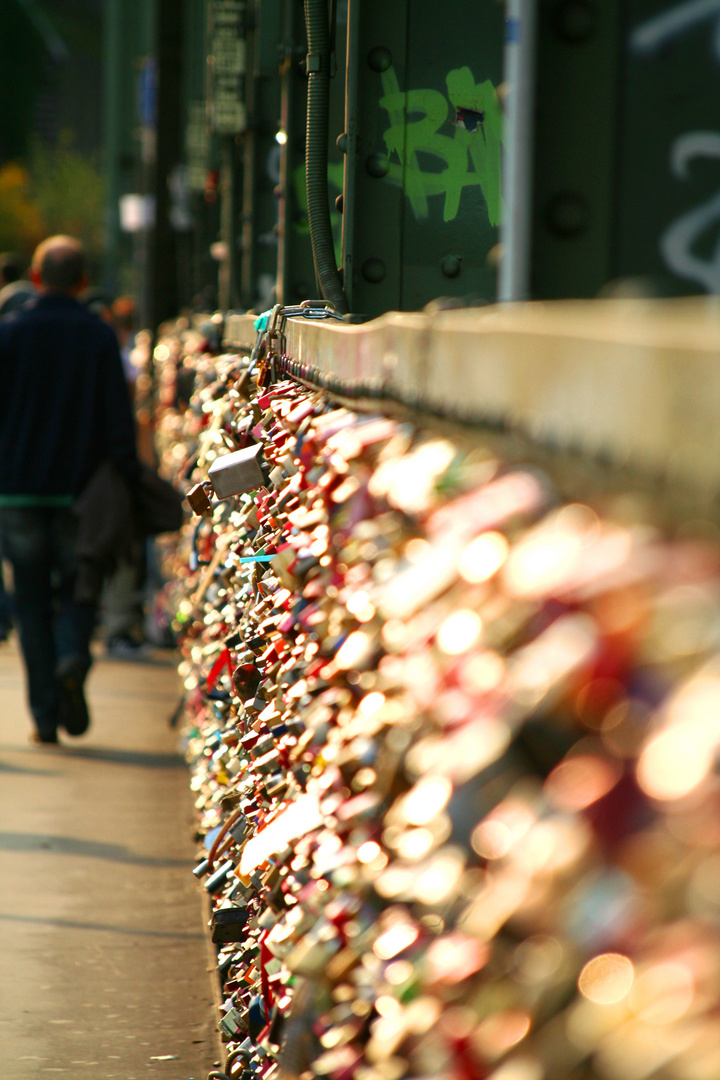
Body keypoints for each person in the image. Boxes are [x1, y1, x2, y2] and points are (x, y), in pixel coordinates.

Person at [0, 235, 139, 745]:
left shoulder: (8, 334)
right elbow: (116, 419)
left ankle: (43, 715)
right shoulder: (98, 338)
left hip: (17, 492)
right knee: (81, 587)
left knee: (31, 601)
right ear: (83, 283)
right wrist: (128, 475)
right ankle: (74, 657)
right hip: (81, 492)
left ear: (36, 279)